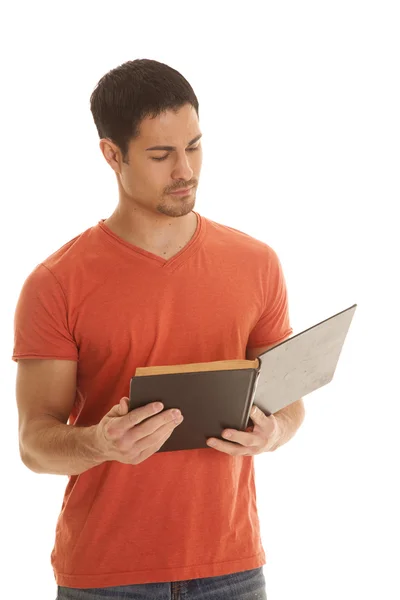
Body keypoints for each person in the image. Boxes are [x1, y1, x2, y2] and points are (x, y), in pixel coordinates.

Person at [13, 58, 305, 600]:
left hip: (232, 569)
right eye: (160, 154)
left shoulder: (257, 263)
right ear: (112, 155)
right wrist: (101, 442)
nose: (185, 170)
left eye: (194, 146)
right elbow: (35, 444)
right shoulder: (56, 283)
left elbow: (288, 402)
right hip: (106, 577)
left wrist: (275, 432)